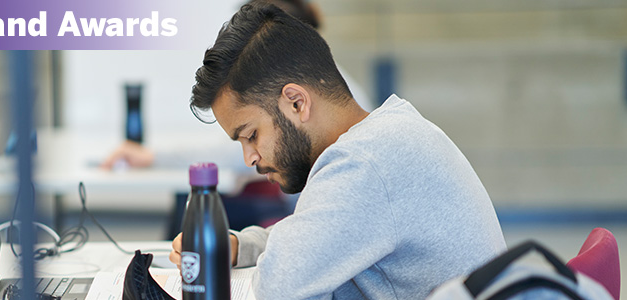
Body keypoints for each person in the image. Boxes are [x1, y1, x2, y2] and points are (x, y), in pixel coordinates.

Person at [167, 2, 507, 299]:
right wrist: (241, 246)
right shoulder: (385, 133)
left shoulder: (364, 161)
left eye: (251, 135)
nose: (250, 158)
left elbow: (279, 288)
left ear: (296, 103)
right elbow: (320, 231)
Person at [100, 0, 374, 171]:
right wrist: (244, 246)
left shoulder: (353, 169)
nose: (249, 159)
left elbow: (224, 154)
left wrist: (154, 157)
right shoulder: (339, 97)